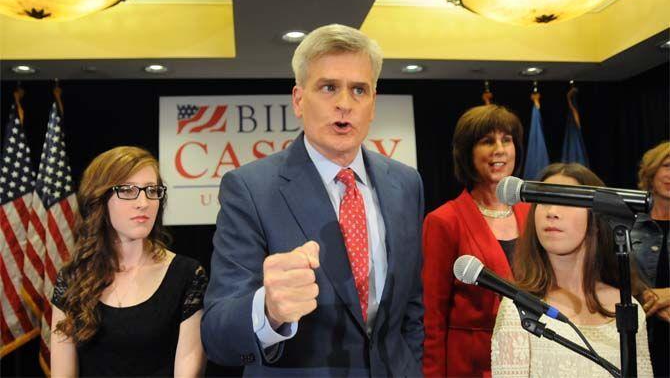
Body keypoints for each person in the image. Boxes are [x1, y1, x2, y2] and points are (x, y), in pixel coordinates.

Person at [200, 24, 424, 376]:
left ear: (373, 103)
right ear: (299, 100)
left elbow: (411, 307)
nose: (344, 104)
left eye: (359, 90)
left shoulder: (406, 183)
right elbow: (218, 337)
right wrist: (269, 310)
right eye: (329, 87)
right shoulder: (250, 189)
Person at [50, 146, 208, 377]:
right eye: (127, 190)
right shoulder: (73, 277)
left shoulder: (187, 275)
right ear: (100, 199)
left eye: (151, 190)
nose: (143, 202)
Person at [491, 163, 653, 377]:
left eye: (565, 202)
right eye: (544, 202)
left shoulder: (627, 308)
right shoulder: (518, 309)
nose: (552, 212)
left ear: (595, 218)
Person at [422, 104, 530, 377]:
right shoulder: (444, 220)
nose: (499, 149)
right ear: (467, 153)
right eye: (487, 141)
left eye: (507, 140)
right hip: (472, 365)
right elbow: (432, 316)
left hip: (530, 360)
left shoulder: (532, 213)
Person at [631, 141, 670, 377]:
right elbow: (608, 273)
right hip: (638, 338)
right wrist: (645, 295)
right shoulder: (627, 224)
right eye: (666, 166)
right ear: (651, 171)